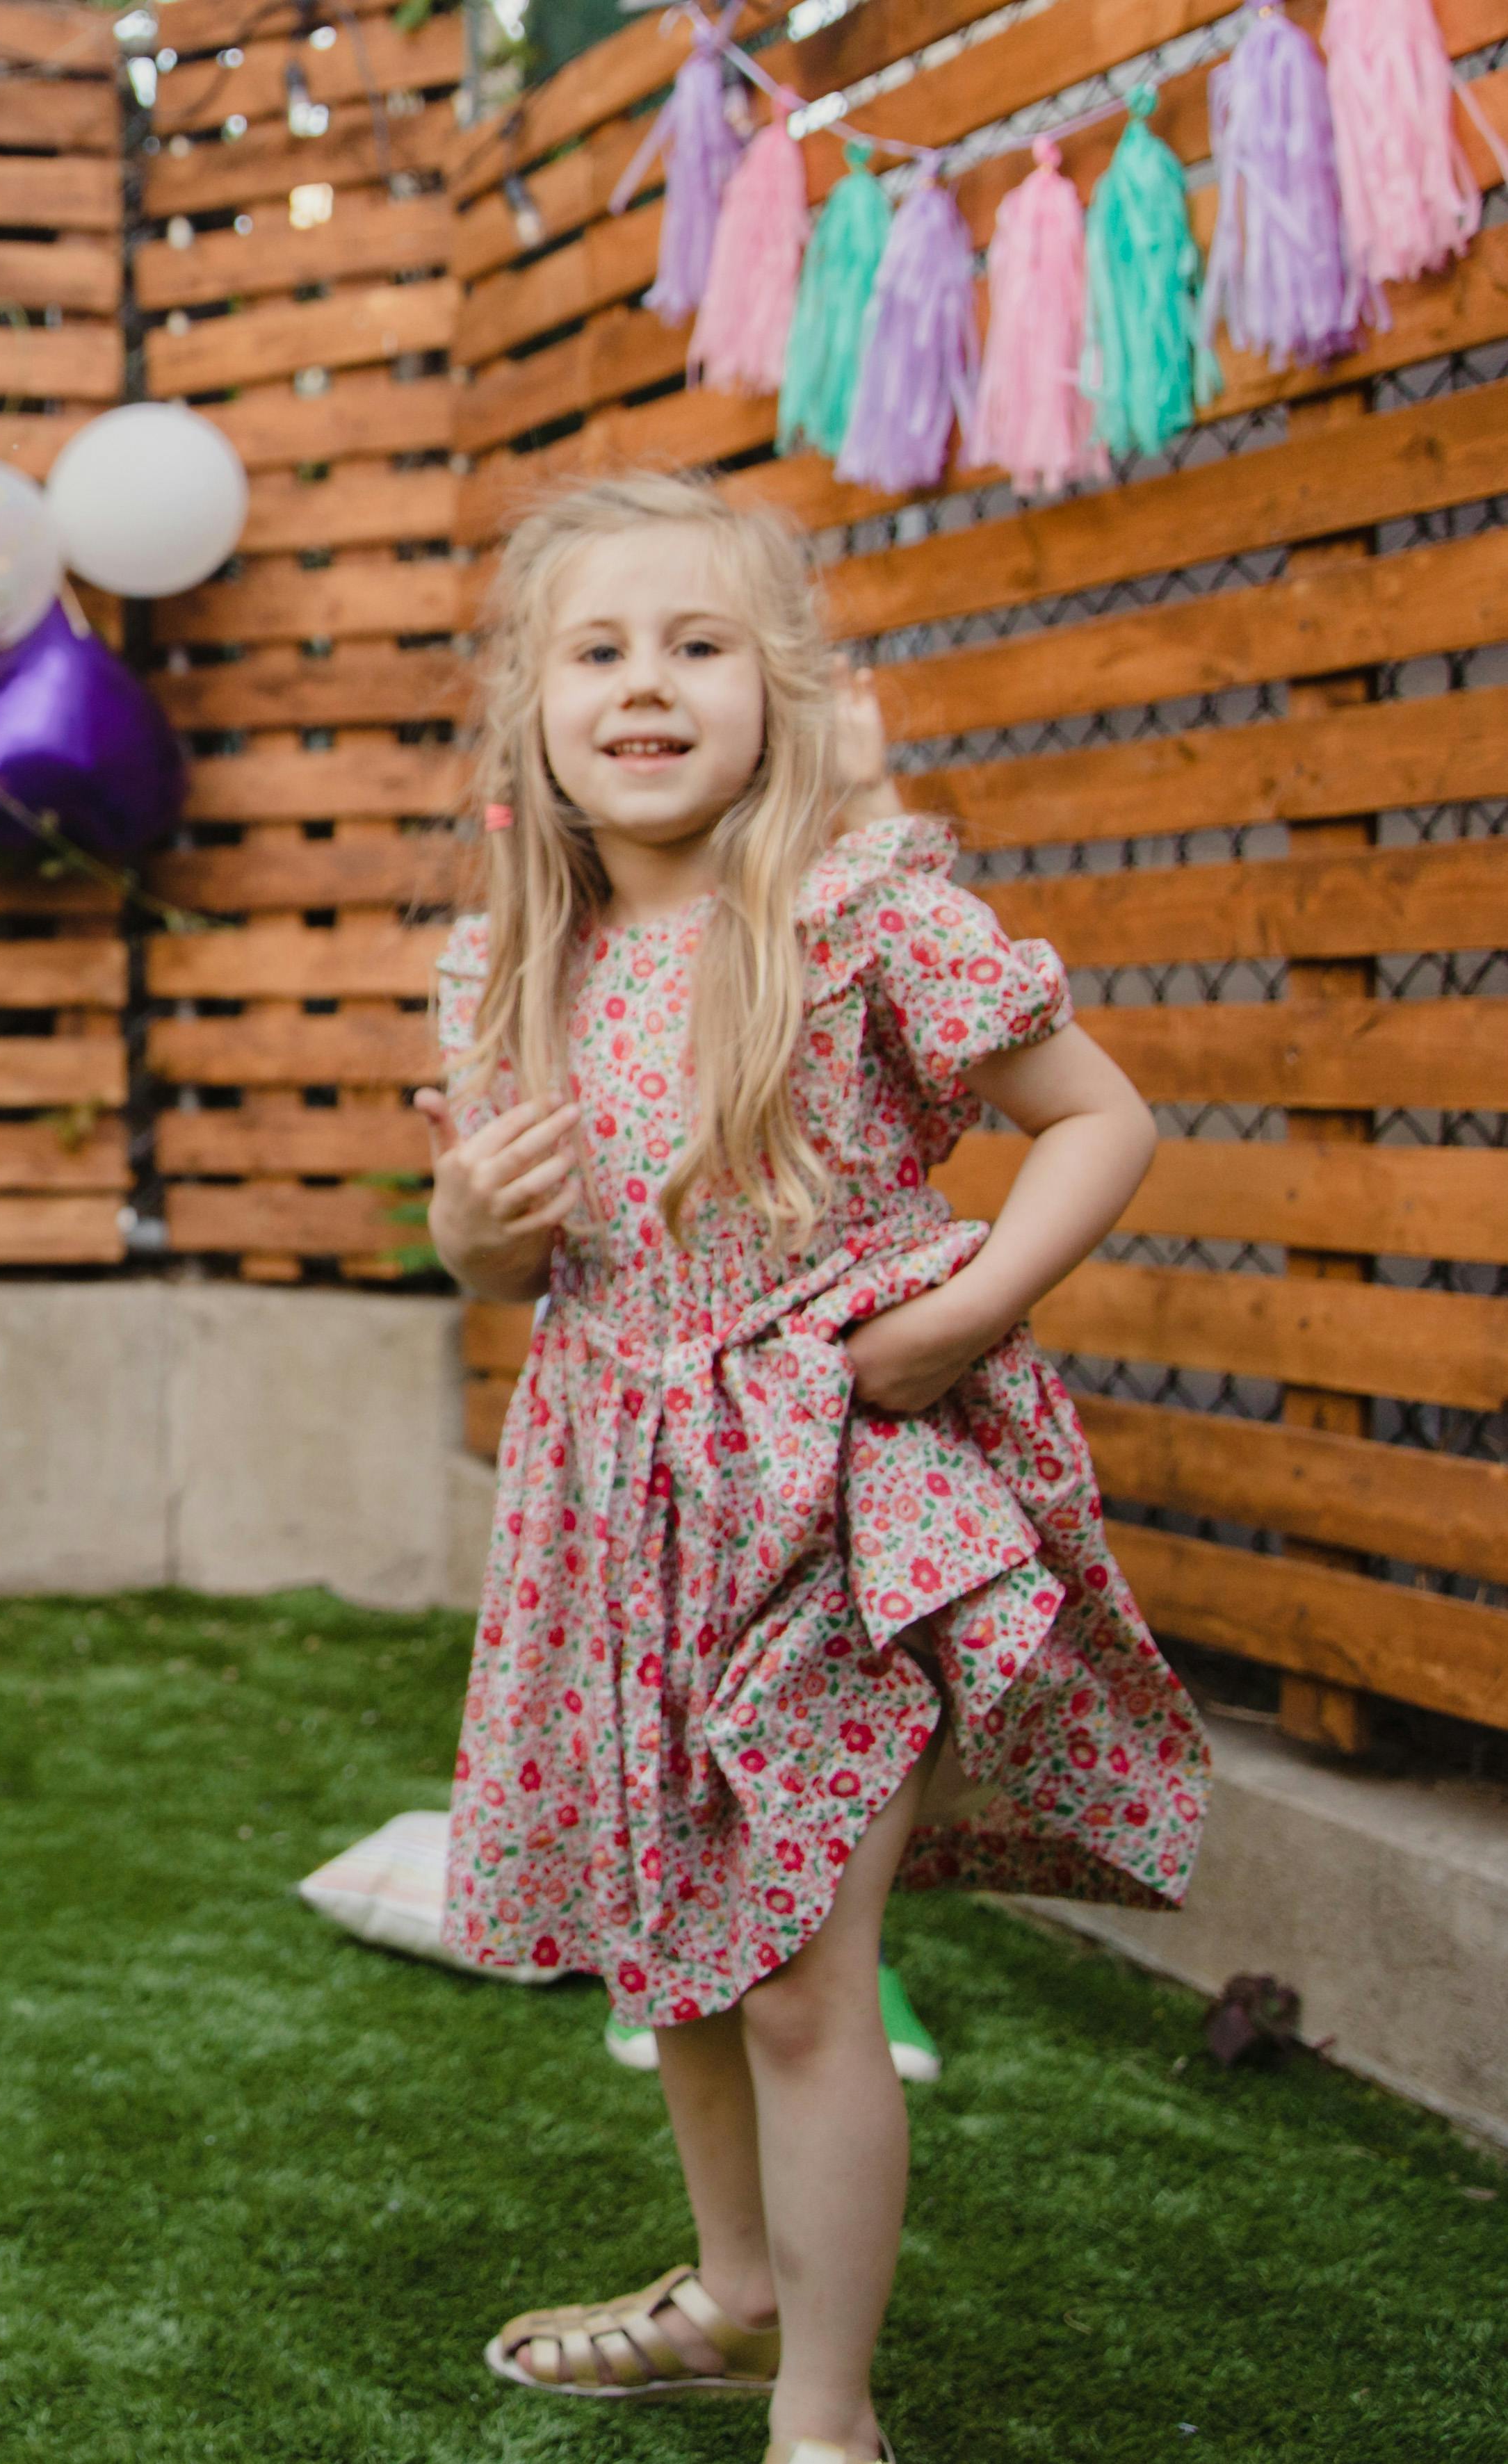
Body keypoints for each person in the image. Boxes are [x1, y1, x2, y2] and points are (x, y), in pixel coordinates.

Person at [418, 471, 1206, 2464]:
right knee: (676, 1943)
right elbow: (521, 1258)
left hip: (840, 1497)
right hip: (621, 1509)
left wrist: (965, 1310)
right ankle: (737, 2287)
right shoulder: (503, 970)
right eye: (598, 649)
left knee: (793, 1975)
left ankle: (826, 2417)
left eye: (697, 645)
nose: (647, 684)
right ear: (532, 701)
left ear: (779, 690)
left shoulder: (865, 920)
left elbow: (1100, 1120)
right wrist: (465, 1228)